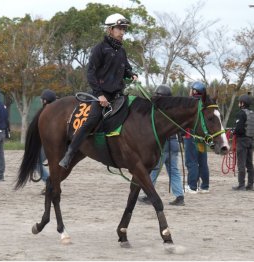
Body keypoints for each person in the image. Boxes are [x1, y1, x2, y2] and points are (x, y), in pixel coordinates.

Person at [59, 13, 138, 169]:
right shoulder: (99, 49)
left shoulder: (121, 51)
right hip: (101, 95)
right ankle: (70, 153)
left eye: (124, 29)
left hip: (118, 94)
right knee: (91, 120)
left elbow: (126, 68)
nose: (122, 32)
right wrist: (100, 95)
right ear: (110, 29)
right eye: (119, 29)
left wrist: (132, 74)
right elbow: (91, 73)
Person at [138, 84, 185, 206]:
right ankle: (179, 196)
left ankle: (149, 195)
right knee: (174, 170)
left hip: (163, 144)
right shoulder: (174, 110)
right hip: (173, 143)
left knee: (154, 169)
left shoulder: (160, 111)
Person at [184, 81, 210, 194]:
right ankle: (205, 186)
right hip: (202, 138)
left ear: (195, 91)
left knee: (192, 162)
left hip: (191, 136)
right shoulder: (205, 104)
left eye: (191, 89)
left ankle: (192, 186)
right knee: (202, 161)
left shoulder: (190, 103)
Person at [232, 94, 254, 190]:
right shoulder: (252, 113)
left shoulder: (240, 113)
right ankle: (250, 184)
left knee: (241, 163)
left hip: (242, 141)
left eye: (239, 102)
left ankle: (241, 185)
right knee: (249, 164)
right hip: (250, 140)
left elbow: (239, 129)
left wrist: (234, 131)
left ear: (242, 103)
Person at [37, 89, 56, 194]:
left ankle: (49, 182)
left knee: (35, 162)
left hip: (48, 143)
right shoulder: (58, 109)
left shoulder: (46, 112)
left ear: (45, 101)